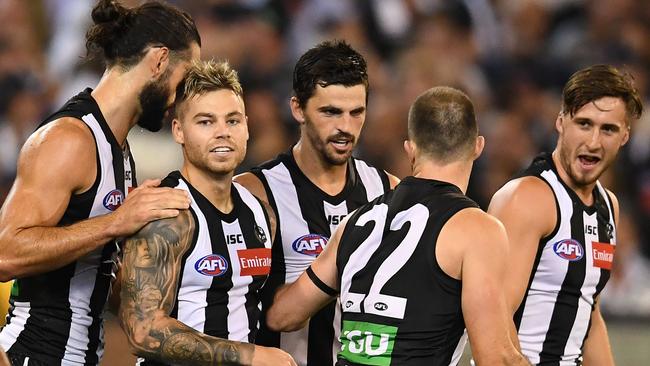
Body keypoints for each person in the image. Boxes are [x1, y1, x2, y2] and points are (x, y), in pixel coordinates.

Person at [265, 86, 530, 365]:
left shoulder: (355, 222)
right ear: (478, 146)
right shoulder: (477, 229)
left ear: (410, 149)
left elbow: (283, 315)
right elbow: (495, 358)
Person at [0, 1, 201, 364]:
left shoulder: (120, 150)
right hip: (36, 354)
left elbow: (92, 281)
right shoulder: (69, 138)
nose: (180, 96)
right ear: (158, 60)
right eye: (183, 77)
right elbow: (5, 252)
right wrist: (116, 223)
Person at [118, 60, 296, 366]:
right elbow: (143, 332)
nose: (222, 133)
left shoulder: (261, 214)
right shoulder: (167, 212)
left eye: (232, 121)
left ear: (247, 126)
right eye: (205, 122)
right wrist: (250, 356)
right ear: (179, 130)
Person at [234, 40, 399, 365]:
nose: (345, 128)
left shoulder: (387, 190)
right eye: (330, 112)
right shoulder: (256, 192)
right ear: (297, 109)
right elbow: (260, 312)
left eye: (357, 112)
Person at [488, 64, 643, 365]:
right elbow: (493, 315)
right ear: (561, 122)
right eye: (584, 124)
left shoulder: (608, 206)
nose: (594, 142)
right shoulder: (528, 198)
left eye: (608, 129)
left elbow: (588, 312)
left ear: (625, 136)